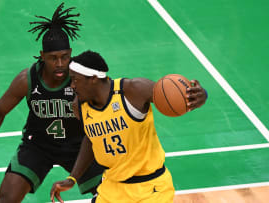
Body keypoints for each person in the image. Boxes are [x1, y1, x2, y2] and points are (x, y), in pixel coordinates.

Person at [0, 4, 103, 203]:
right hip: (39, 145)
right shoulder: (28, 79)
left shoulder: (82, 78)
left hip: (79, 146)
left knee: (113, 195)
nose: (59, 64)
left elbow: (109, 103)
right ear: (42, 56)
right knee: (6, 198)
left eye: (64, 57)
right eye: (53, 58)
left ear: (71, 53)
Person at [50, 50, 207, 203]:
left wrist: (201, 96)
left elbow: (178, 95)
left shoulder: (133, 90)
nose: (71, 86)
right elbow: (91, 139)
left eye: (75, 80)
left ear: (93, 78)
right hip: (113, 188)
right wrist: (73, 178)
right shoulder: (79, 106)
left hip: (151, 188)